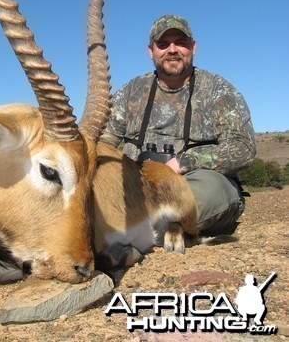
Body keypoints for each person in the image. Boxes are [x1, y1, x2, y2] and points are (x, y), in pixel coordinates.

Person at [101, 15, 256, 235]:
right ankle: (150, 226)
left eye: (180, 43)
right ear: (150, 51)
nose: (172, 50)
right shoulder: (130, 92)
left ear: (193, 47)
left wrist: (182, 162)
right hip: (138, 188)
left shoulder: (218, 90)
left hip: (193, 184)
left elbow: (244, 149)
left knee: (214, 191)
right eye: (163, 44)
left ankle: (143, 226)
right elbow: (102, 141)